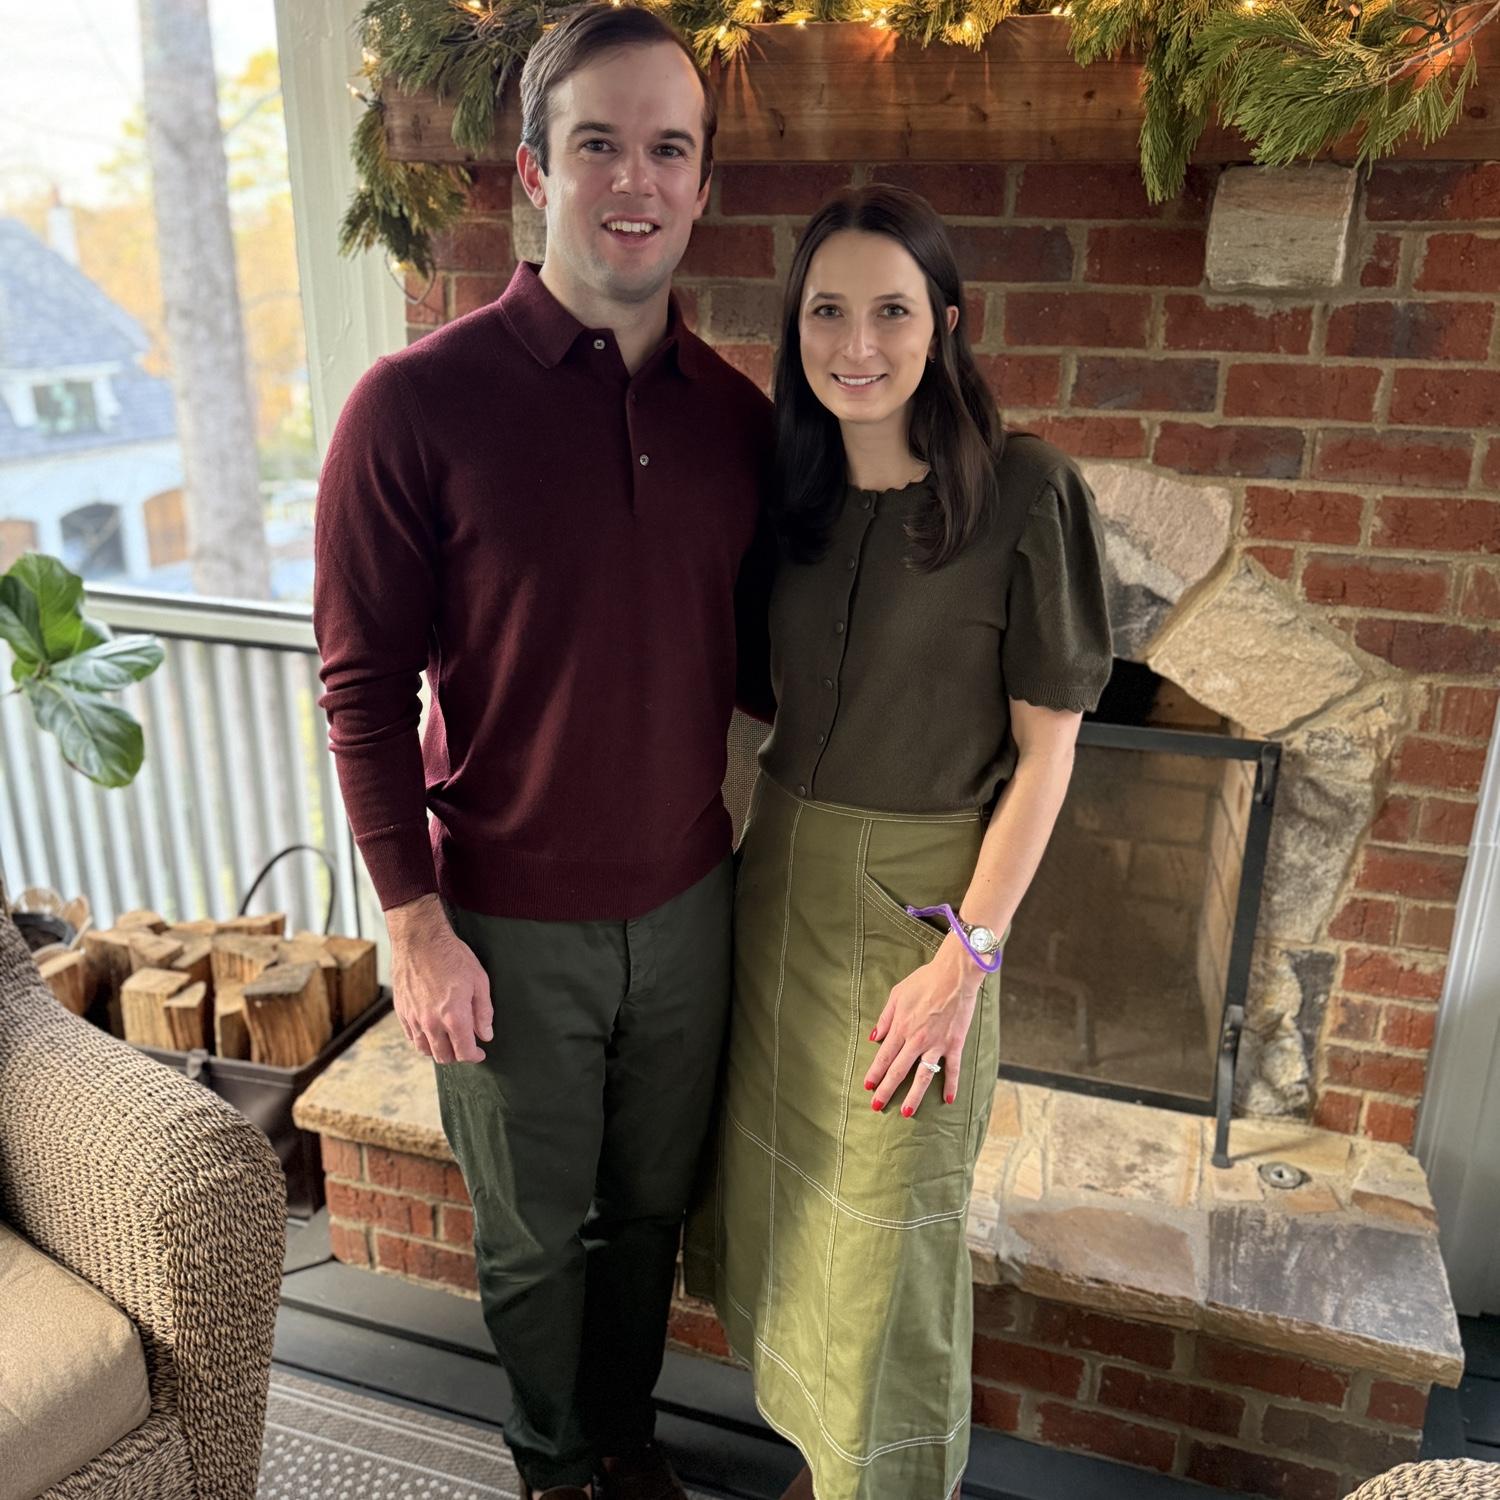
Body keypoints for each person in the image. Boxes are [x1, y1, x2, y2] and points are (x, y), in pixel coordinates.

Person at [311, 9, 774, 1499]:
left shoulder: (742, 425)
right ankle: (555, 1468)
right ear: (533, 170)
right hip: (501, 919)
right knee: (529, 1235)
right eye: (598, 145)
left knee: (648, 1221)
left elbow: (773, 670)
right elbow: (361, 689)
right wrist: (415, 929)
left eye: (668, 149)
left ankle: (625, 1445)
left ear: (700, 185)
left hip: (693, 907)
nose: (635, 180)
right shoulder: (413, 407)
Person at [685, 185, 1114, 1500]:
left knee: (889, 1246)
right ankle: (821, 1473)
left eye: (891, 310)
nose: (856, 343)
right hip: (778, 898)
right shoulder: (791, 498)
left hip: (926, 925)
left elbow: (1049, 757)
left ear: (949, 324)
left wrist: (965, 961)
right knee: (788, 1217)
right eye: (827, 311)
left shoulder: (1029, 492)